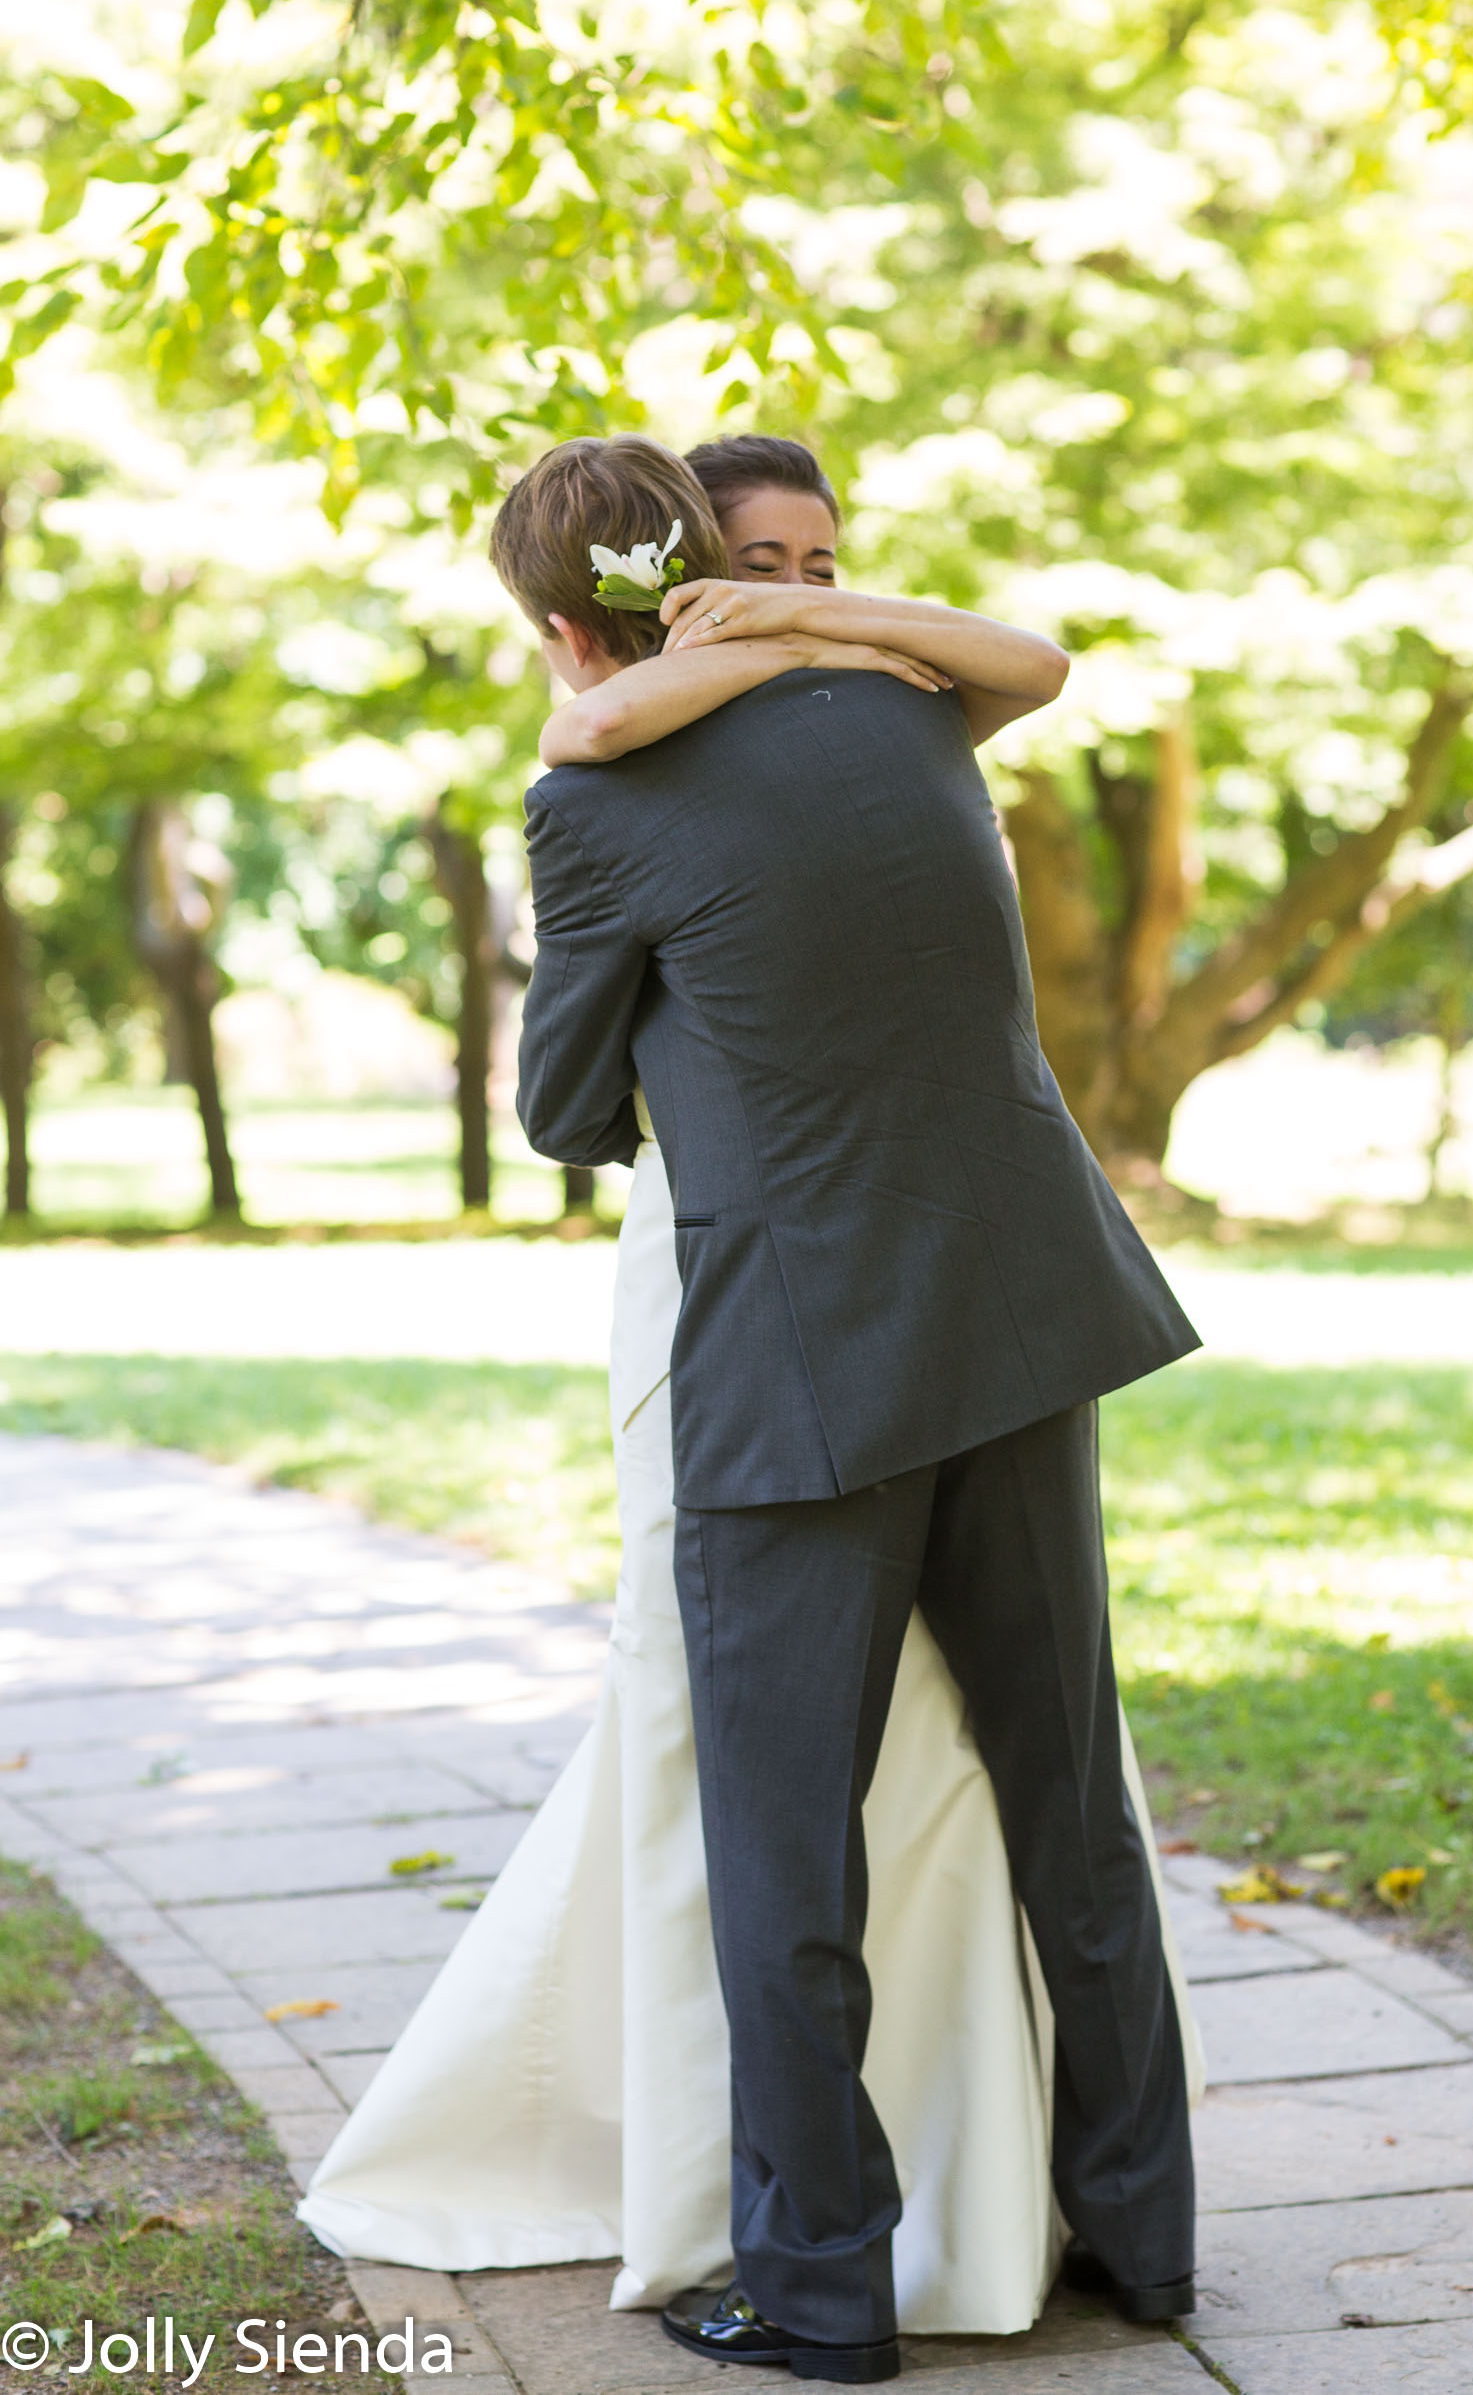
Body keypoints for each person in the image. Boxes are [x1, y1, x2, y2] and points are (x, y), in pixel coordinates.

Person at [297, 435, 1204, 2356]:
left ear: (558, 628)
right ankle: (1142, 2237)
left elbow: (558, 1111)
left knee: (786, 1859)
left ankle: (818, 2297)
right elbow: (1015, 676)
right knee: (1075, 1808)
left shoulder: (597, 801)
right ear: (715, 564)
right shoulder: (903, 713)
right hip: (1029, 1310)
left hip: (801, 1365)